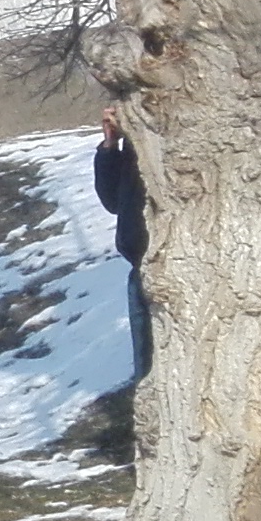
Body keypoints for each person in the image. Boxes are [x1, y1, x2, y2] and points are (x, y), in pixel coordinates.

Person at [94, 109, 152, 386]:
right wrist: (109, 146)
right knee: (148, 370)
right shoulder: (132, 144)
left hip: (177, 261)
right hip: (141, 266)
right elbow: (113, 201)